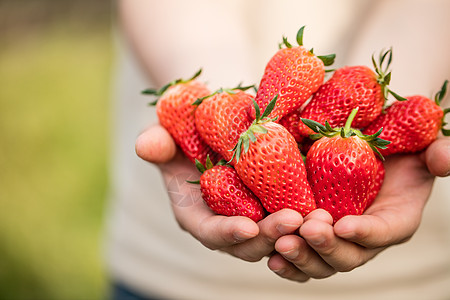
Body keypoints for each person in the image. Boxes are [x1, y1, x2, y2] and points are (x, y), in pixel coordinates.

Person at [105, 0, 450, 299]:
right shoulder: (253, 132)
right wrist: (213, 97)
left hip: (413, 280)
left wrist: (398, 90)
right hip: (171, 272)